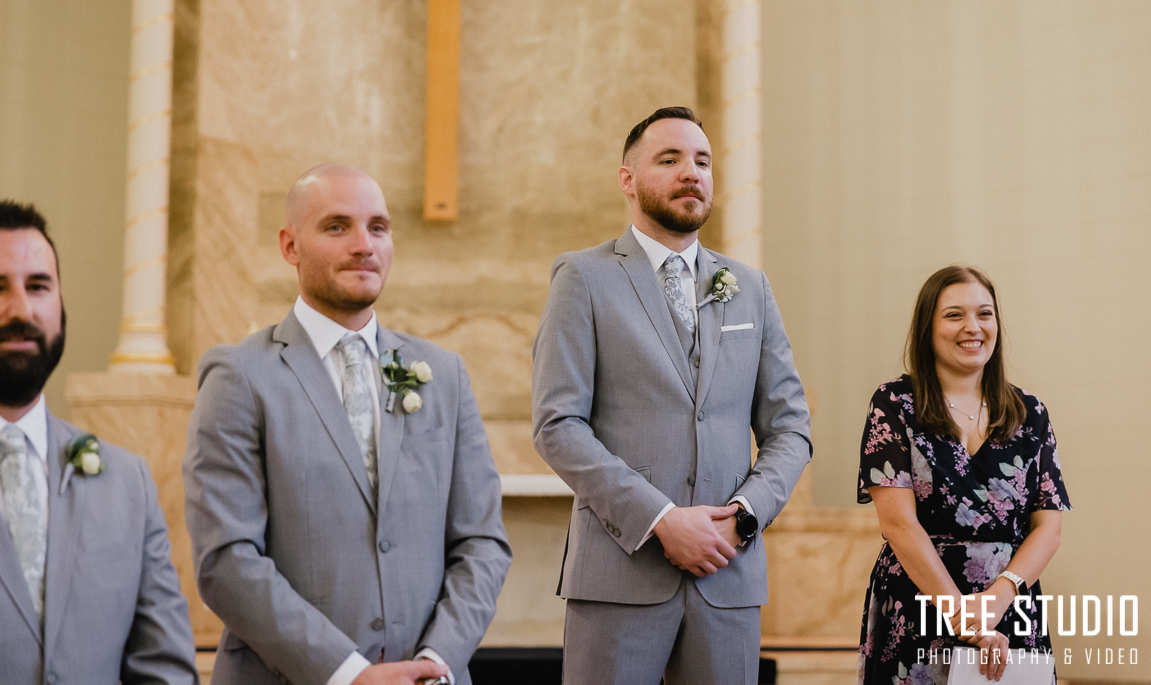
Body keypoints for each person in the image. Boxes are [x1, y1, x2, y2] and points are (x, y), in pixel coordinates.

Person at [183, 164, 512, 685]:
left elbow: (482, 542)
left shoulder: (444, 374)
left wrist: (436, 661)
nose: (364, 245)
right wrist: (349, 674)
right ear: (290, 245)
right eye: (337, 227)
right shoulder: (240, 375)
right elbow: (226, 560)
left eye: (378, 227)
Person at [532, 106, 813, 685]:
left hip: (727, 576)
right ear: (628, 179)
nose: (691, 172)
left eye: (703, 161)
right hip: (619, 575)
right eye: (670, 159)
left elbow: (790, 429)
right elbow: (557, 425)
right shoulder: (583, 278)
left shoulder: (749, 288)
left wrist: (744, 517)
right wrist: (660, 519)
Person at [0, 200, 198, 684]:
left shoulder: (127, 483)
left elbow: (165, 668)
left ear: (61, 306)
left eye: (38, 286)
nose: (21, 309)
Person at [857, 265, 1070, 685]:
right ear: (928, 327)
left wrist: (997, 600)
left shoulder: (1030, 413)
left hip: (1009, 606)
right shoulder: (895, 403)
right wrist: (962, 616)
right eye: (954, 315)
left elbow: (1049, 528)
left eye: (984, 314)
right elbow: (898, 524)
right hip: (919, 603)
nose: (973, 327)